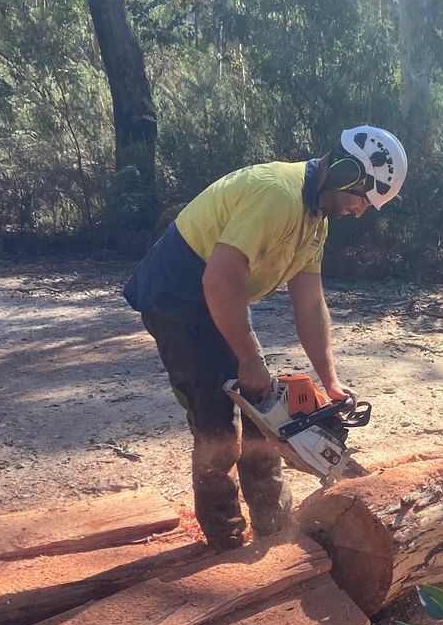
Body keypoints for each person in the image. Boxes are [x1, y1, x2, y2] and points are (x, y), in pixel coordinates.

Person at [124, 127, 408, 550]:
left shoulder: (315, 221)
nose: (360, 211)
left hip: (217, 294)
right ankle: (225, 536)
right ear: (348, 172)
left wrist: (328, 380)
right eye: (363, 199)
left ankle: (274, 522)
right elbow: (219, 279)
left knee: (264, 408)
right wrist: (249, 356)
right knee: (217, 421)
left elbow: (310, 306)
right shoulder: (279, 193)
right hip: (177, 298)